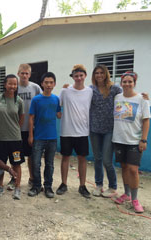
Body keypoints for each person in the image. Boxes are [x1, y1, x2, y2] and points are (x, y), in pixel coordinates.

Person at [113, 71, 150, 213]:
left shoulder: (142, 99)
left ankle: (135, 199)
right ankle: (126, 194)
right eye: (125, 81)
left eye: (130, 81)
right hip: (119, 139)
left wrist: (144, 139)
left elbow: (146, 121)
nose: (127, 84)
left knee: (133, 170)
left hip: (134, 141)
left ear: (134, 83)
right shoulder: (117, 97)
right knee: (124, 167)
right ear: (121, 83)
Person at [56, 64, 93, 198]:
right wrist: (58, 113)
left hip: (83, 131)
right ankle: (63, 183)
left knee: (82, 158)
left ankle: (82, 186)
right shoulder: (65, 91)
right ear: (73, 77)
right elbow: (57, 105)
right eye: (76, 76)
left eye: (81, 75)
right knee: (65, 157)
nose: (78, 78)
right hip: (66, 131)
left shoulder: (90, 91)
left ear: (85, 76)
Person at [89, 65, 122, 198]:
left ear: (106, 74)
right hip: (94, 129)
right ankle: (99, 185)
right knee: (97, 158)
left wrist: (143, 98)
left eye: (101, 72)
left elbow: (127, 97)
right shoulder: (91, 89)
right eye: (96, 73)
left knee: (107, 160)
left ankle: (113, 187)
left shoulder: (114, 89)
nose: (99, 75)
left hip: (110, 129)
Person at [28, 72, 61, 198]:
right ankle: (36, 186)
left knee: (50, 164)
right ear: (42, 84)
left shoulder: (56, 99)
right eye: (46, 82)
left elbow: (59, 114)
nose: (48, 84)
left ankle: (48, 187)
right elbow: (31, 118)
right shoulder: (36, 99)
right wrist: (31, 135)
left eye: (51, 82)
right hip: (38, 137)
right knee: (36, 163)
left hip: (52, 137)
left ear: (54, 84)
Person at [0, 74, 25, 200]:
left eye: (15, 84)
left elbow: (21, 120)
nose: (12, 86)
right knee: (0, 164)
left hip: (15, 139)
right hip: (0, 138)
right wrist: (2, 128)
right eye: (10, 83)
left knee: (16, 164)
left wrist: (14, 129)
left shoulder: (19, 101)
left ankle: (17, 187)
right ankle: (0, 186)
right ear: (5, 84)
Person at [13, 63, 42, 189]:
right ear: (18, 74)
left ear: (30, 75)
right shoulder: (14, 87)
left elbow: (43, 99)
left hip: (31, 128)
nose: (24, 75)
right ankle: (14, 178)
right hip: (16, 128)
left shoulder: (35, 88)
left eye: (26, 73)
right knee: (15, 155)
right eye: (22, 73)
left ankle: (32, 178)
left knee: (31, 156)